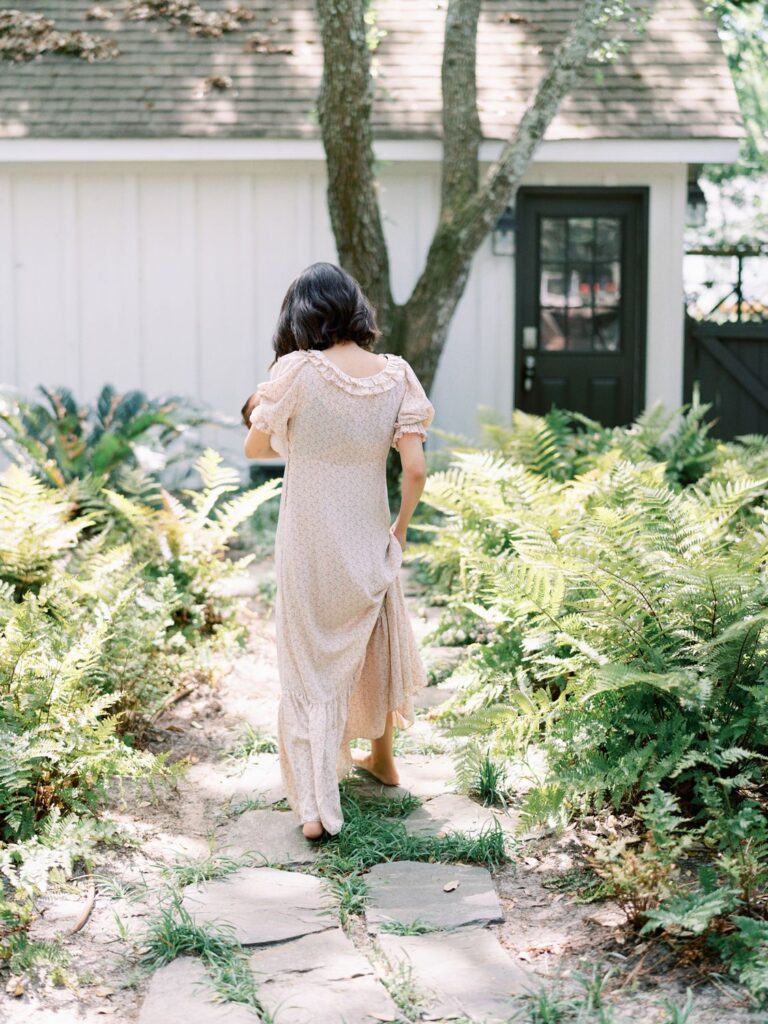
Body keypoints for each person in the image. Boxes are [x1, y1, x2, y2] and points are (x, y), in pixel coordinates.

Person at [242, 262, 435, 841]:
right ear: (356, 310)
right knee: (375, 639)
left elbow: (256, 447)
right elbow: (417, 470)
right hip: (368, 533)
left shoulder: (297, 370)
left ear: (300, 315)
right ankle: (384, 759)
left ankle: (314, 806)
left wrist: (267, 411)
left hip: (307, 540)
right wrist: (399, 528)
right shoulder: (397, 375)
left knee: (308, 662)